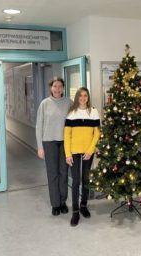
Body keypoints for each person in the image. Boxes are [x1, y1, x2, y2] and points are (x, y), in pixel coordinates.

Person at [36, 77, 72, 216]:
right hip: (49, 143)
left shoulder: (69, 102)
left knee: (64, 173)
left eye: (60, 86)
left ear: (63, 88)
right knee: (53, 174)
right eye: (55, 86)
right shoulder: (44, 104)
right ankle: (55, 204)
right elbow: (39, 126)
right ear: (51, 87)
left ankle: (63, 202)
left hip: (65, 143)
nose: (57, 89)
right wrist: (40, 147)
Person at [64, 87, 100, 227]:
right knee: (76, 181)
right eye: (80, 95)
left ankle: (83, 206)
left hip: (87, 152)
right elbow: (67, 135)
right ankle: (75, 212)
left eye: (85, 95)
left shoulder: (94, 112)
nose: (83, 98)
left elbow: (96, 133)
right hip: (73, 151)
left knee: (86, 179)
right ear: (77, 97)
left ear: (88, 97)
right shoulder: (71, 113)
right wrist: (67, 154)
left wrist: (91, 150)